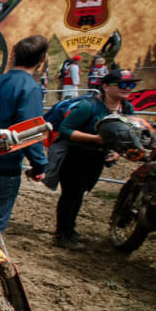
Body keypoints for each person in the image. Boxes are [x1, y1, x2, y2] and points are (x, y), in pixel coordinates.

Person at [47, 69, 137, 249]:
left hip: (98, 158)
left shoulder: (127, 109)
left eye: (131, 85)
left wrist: (117, 152)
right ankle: (62, 234)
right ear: (105, 86)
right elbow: (66, 130)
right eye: (122, 84)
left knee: (79, 194)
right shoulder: (89, 106)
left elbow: (126, 135)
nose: (127, 88)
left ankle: (69, 229)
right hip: (76, 155)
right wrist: (95, 139)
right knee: (71, 195)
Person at [0, 35, 49, 231]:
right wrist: (39, 165)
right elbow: (29, 129)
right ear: (42, 60)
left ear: (13, 54)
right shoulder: (29, 88)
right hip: (5, 163)